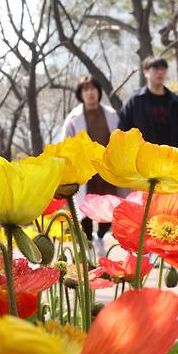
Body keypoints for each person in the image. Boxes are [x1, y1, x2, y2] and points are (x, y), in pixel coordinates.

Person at [61, 75, 120, 256]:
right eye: (86, 89)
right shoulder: (73, 118)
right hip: (85, 171)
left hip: (107, 169)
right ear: (81, 94)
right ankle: (87, 240)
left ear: (98, 91)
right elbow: (65, 145)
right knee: (84, 207)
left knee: (109, 206)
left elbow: (120, 139)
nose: (90, 92)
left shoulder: (111, 114)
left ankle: (100, 237)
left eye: (93, 88)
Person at [118, 56, 178, 152]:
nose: (160, 72)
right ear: (146, 72)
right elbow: (122, 131)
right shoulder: (135, 101)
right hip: (143, 159)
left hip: (171, 159)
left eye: (163, 69)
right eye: (156, 68)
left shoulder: (176, 102)